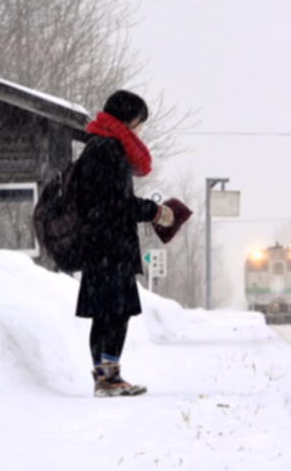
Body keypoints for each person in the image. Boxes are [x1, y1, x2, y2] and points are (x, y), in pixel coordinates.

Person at [71, 90, 174, 397]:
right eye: (139, 122)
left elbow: (99, 201)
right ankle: (109, 378)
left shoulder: (95, 147)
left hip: (97, 246)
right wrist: (154, 211)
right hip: (111, 247)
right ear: (128, 119)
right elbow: (118, 204)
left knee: (105, 313)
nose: (139, 129)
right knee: (115, 313)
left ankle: (105, 378)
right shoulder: (111, 150)